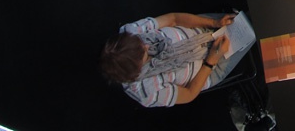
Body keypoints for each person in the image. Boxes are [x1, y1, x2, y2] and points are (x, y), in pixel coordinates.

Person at [99, 12, 245, 107]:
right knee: (251, 31)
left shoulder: (131, 32)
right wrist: (211, 61)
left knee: (242, 17)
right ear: (137, 69)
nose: (146, 46)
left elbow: (174, 19)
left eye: (140, 42)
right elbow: (189, 94)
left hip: (200, 30)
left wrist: (214, 23)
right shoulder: (145, 92)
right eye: (144, 54)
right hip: (210, 67)